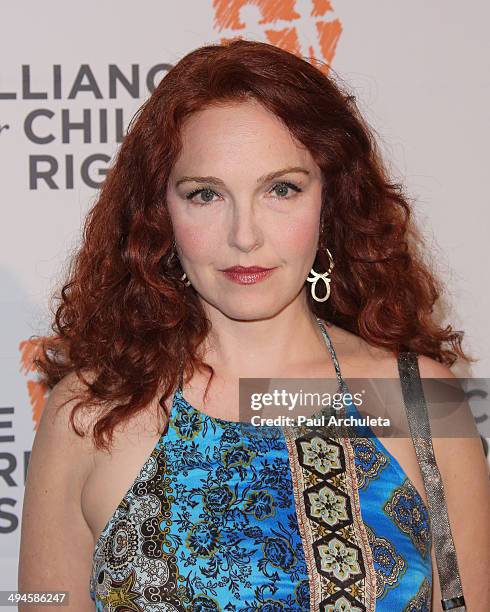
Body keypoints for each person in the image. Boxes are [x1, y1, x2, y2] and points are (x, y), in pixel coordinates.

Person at [18, 39, 490, 611]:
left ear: (331, 201)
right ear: (159, 212)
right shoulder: (88, 414)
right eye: (206, 195)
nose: (245, 235)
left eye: (281, 189)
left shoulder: (421, 399)